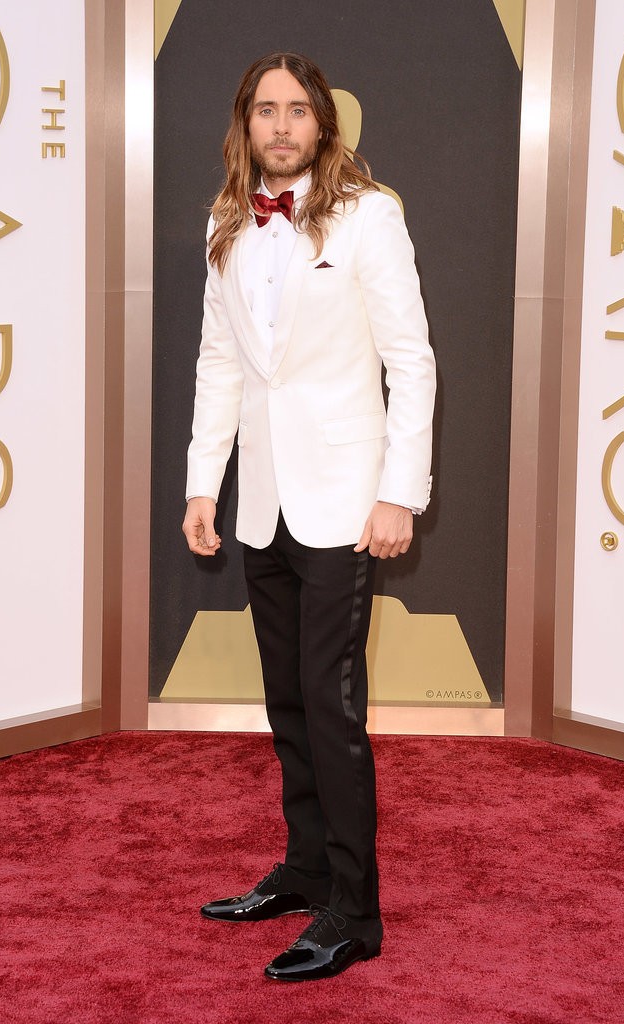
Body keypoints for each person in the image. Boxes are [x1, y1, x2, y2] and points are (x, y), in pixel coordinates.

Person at [182, 51, 436, 982]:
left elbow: (411, 360)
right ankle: (304, 869)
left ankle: (355, 912)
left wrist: (399, 492)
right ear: (245, 123)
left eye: (298, 110)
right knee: (287, 700)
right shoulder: (227, 222)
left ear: (323, 124)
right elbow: (220, 362)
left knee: (331, 708)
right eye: (266, 110)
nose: (282, 126)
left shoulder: (370, 217)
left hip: (344, 500)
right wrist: (203, 483)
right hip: (263, 503)